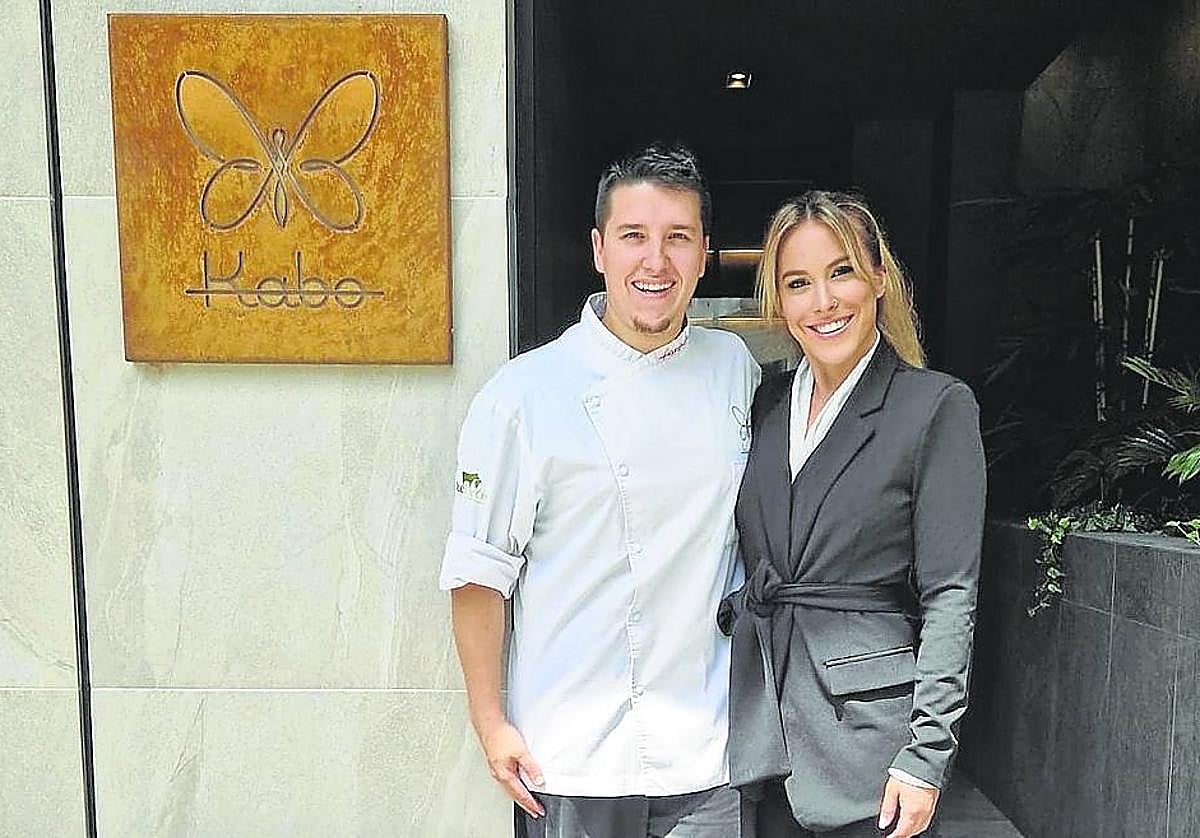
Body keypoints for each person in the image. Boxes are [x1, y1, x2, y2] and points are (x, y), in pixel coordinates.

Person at [440, 143, 761, 838]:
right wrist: (490, 722)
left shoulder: (734, 369)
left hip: (706, 750)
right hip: (569, 758)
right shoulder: (523, 395)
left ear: (704, 254)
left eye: (678, 238)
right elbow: (477, 575)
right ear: (598, 249)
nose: (656, 261)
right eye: (634, 237)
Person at [719, 191, 985, 838]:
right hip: (767, 736)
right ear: (781, 303)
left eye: (841, 272)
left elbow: (952, 594)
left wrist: (926, 757)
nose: (823, 301)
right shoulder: (767, 404)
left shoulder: (933, 407)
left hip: (873, 750)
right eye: (798, 283)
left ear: (878, 279)